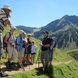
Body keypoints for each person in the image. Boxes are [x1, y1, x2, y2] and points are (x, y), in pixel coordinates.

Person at [0, 4, 12, 77]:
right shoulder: (1, 11)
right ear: (5, 9)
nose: (9, 12)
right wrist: (9, 18)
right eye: (9, 11)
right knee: (0, 51)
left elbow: (7, 24)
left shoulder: (4, 14)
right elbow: (7, 22)